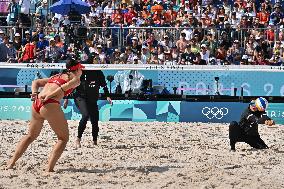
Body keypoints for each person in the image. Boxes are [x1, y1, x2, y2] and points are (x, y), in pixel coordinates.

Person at [6, 59, 84, 172]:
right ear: (76, 70)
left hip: (36, 104)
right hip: (49, 104)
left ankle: (11, 163)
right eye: (80, 68)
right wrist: (48, 96)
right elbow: (62, 89)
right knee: (63, 138)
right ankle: (49, 169)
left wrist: (34, 94)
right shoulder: (76, 80)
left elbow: (36, 82)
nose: (82, 70)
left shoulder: (56, 76)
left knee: (30, 136)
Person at [68, 57, 112, 147]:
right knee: (85, 115)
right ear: (91, 61)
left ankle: (95, 141)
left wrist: (107, 95)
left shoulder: (98, 72)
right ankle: (78, 139)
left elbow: (104, 86)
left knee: (95, 120)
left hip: (92, 98)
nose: (98, 60)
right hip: (80, 97)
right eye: (96, 58)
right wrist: (66, 98)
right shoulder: (82, 70)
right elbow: (72, 85)